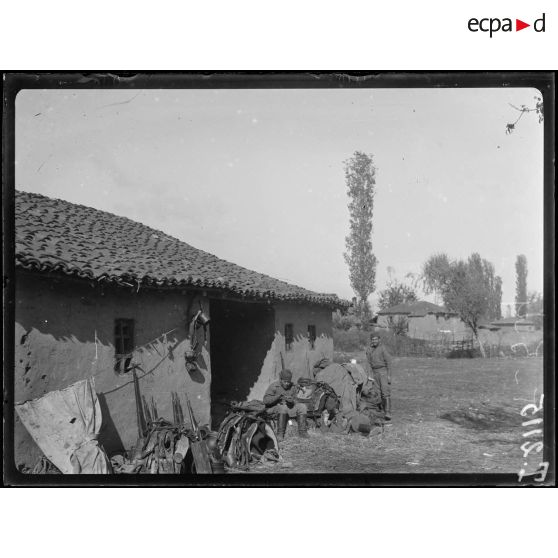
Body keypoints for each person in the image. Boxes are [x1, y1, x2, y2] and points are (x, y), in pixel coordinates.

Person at [263, 369, 308, 440]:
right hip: (274, 408)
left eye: (288, 382)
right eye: (285, 381)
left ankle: (302, 432)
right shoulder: (274, 386)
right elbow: (265, 401)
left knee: (302, 407)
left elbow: (295, 399)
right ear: (280, 379)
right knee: (282, 407)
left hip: (288, 408)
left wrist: (292, 401)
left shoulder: (293, 387)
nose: (287, 384)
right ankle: (280, 434)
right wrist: (278, 397)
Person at [365, 333, 393, 421]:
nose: (374, 341)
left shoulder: (382, 349)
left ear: (379, 340)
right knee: (377, 393)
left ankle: (388, 412)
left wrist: (389, 375)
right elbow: (368, 363)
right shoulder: (369, 350)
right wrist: (369, 375)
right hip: (374, 373)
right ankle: (380, 411)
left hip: (383, 371)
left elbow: (388, 362)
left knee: (385, 392)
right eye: (373, 339)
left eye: (376, 339)